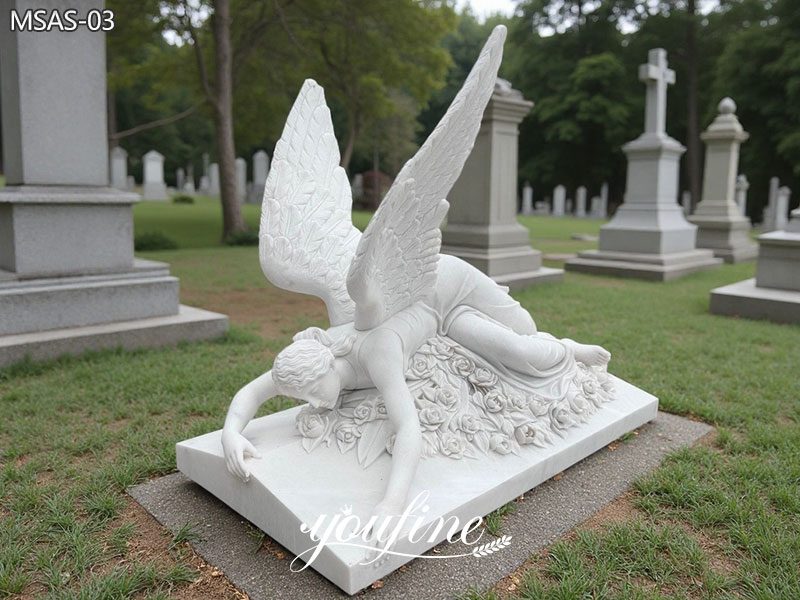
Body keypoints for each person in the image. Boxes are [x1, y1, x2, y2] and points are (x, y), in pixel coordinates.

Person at [221, 254, 610, 521]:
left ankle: (567, 349)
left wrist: (391, 504)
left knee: (522, 341)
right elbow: (253, 392)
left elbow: (408, 427)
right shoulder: (308, 359)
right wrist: (230, 433)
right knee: (507, 343)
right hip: (440, 318)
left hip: (450, 286)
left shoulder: (378, 352)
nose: (314, 404)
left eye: (311, 394)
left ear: (325, 368)